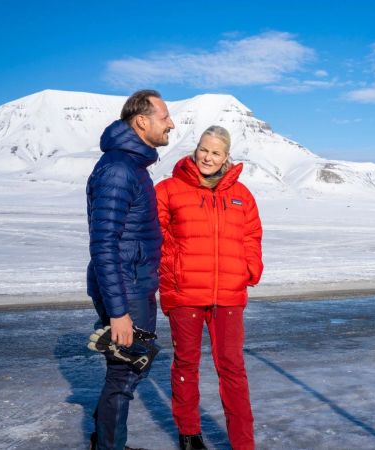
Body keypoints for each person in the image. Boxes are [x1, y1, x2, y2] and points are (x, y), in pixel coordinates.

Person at [156, 125, 263, 450]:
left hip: (228, 295)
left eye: (216, 152)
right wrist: (171, 268)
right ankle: (189, 435)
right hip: (186, 293)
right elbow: (153, 234)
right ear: (196, 148)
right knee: (186, 364)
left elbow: (252, 236)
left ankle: (243, 443)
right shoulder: (170, 189)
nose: (207, 157)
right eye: (204, 149)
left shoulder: (241, 195)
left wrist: (248, 270)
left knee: (232, 368)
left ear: (226, 157)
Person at [86, 89, 174, 450]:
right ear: (141, 121)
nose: (171, 123)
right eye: (164, 116)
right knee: (125, 372)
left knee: (127, 367)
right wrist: (119, 312)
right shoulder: (120, 169)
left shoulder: (131, 166)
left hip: (133, 283)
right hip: (126, 287)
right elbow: (104, 243)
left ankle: (105, 442)